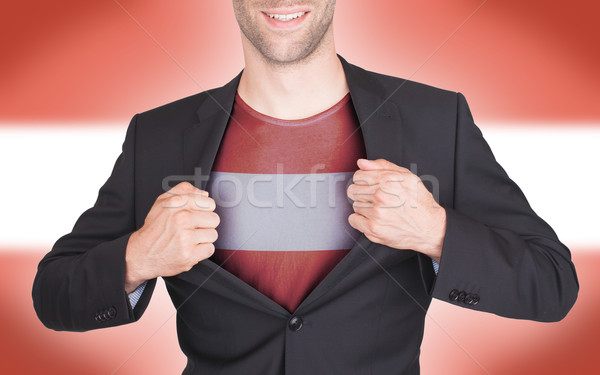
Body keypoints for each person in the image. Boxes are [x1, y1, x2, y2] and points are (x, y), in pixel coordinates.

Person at [32, 1, 579, 374]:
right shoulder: (159, 135)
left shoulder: (436, 120)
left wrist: (437, 233)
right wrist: (137, 257)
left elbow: (552, 284)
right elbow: (53, 295)